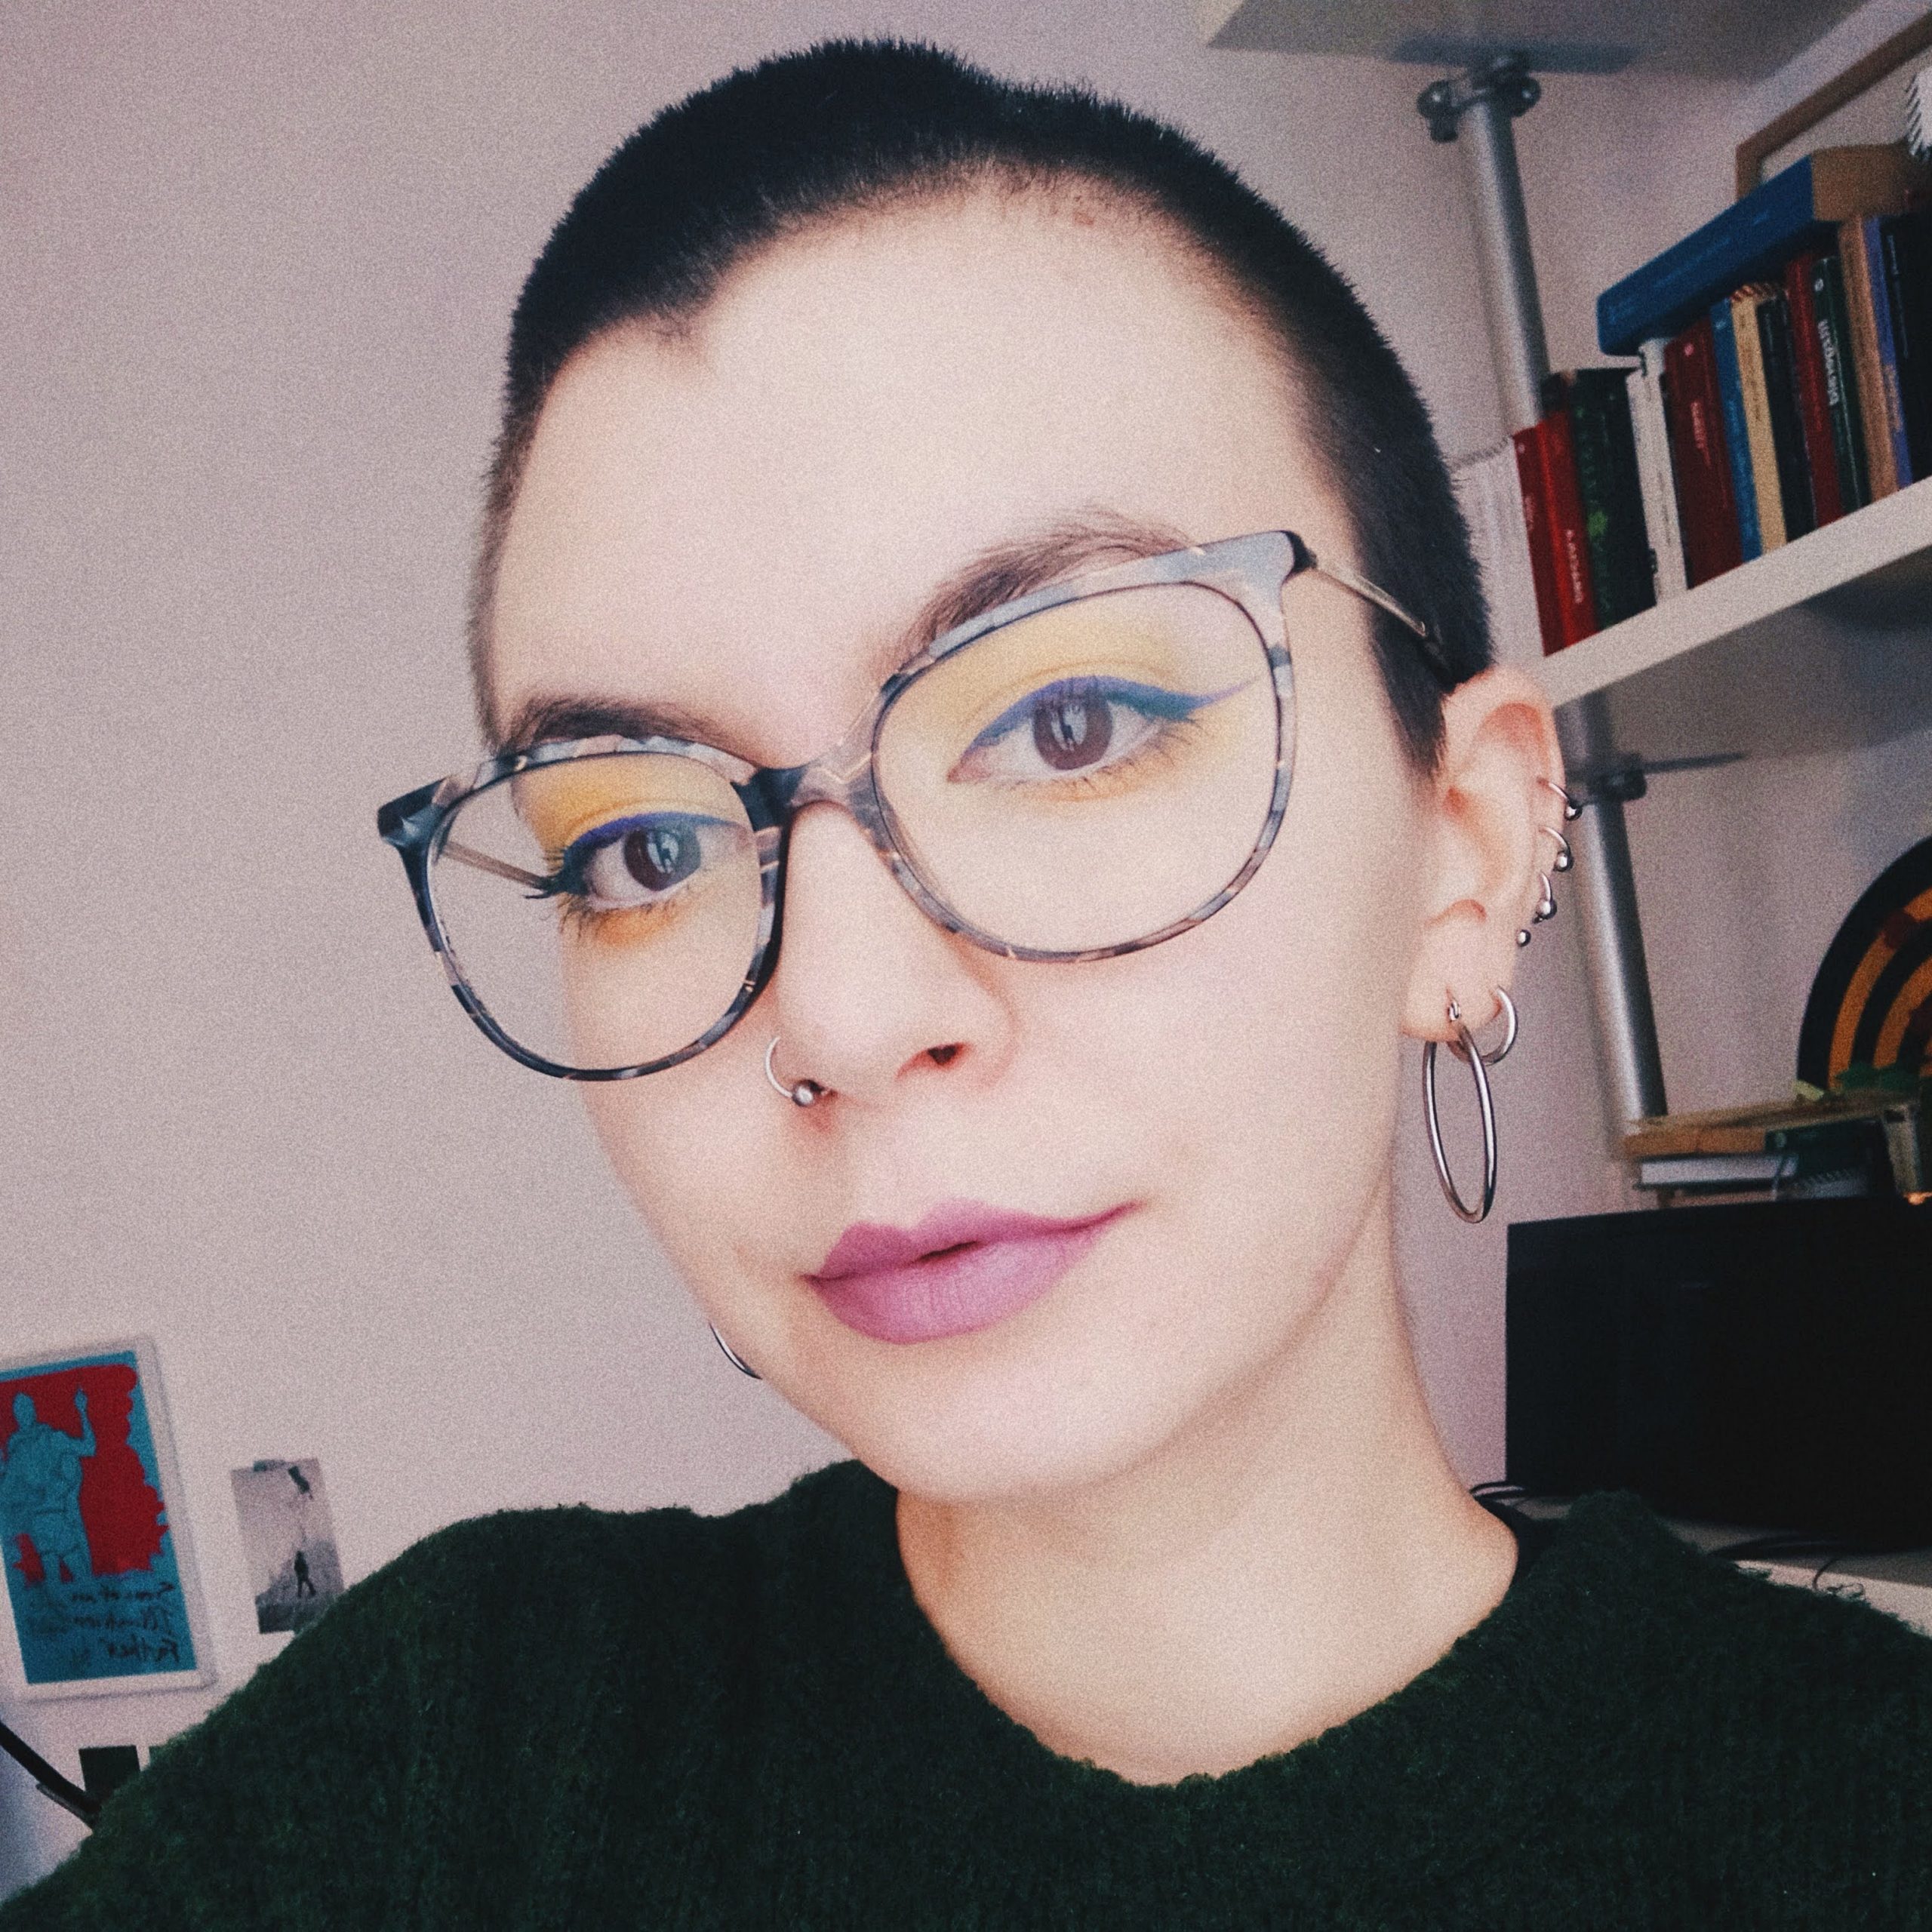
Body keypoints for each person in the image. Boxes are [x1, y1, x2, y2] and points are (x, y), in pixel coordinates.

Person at [7, 37, 1930, 1929]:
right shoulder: (466, 1752)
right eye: (645, 847)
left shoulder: (1859, 1812)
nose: (839, 1019)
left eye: (1069, 721)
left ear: (1468, 846)